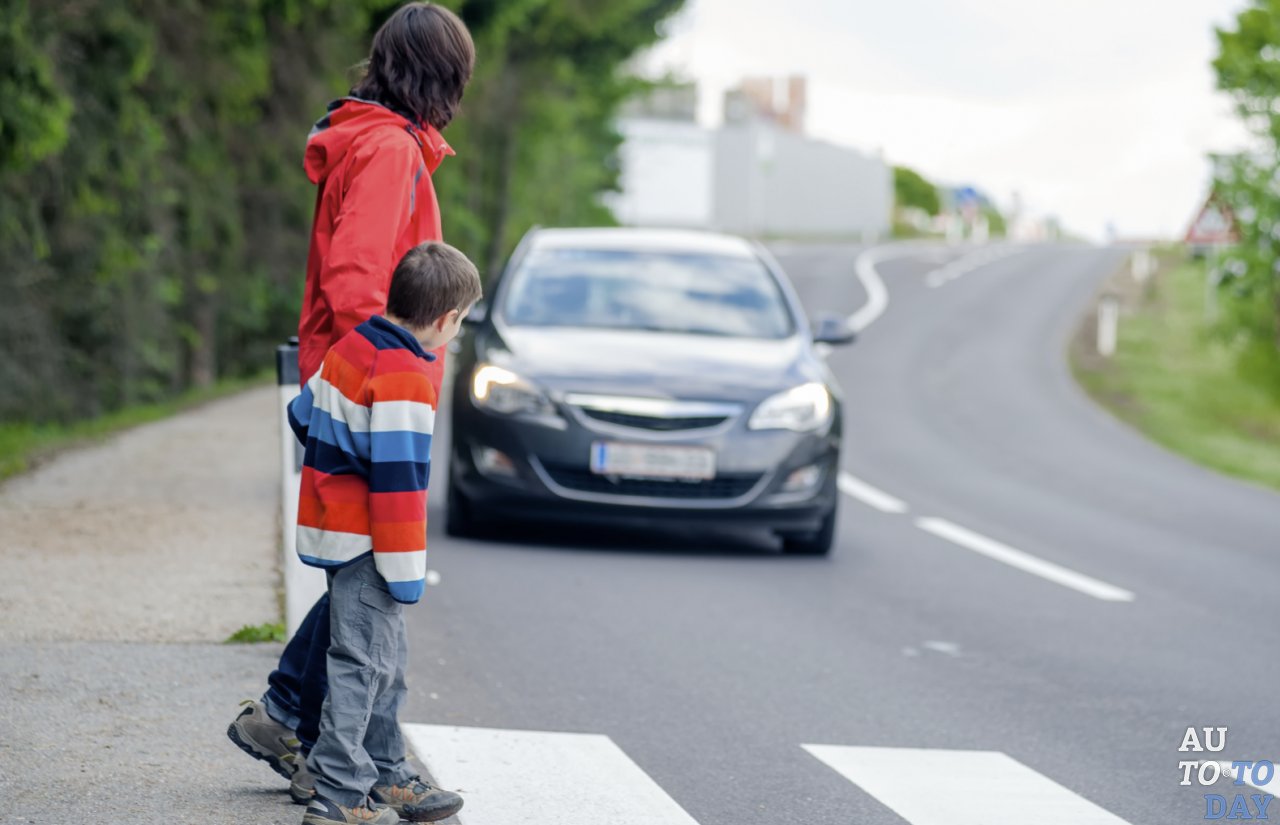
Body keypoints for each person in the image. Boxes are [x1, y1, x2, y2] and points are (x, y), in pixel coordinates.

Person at [225, 0, 474, 814]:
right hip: (367, 388)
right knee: (369, 580)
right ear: (442, 78)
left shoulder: (371, 140)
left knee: (356, 580)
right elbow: (358, 281)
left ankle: (287, 717)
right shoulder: (389, 151)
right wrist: (389, 372)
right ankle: (356, 767)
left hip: (346, 378)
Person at [289, 241, 481, 825]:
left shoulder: (354, 345)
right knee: (361, 663)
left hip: (330, 525)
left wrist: (339, 456)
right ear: (446, 320)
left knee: (382, 657)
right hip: (371, 541)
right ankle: (340, 792)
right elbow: (398, 487)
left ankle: (389, 772)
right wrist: (405, 572)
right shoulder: (405, 376)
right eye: (462, 323)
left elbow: (303, 413)